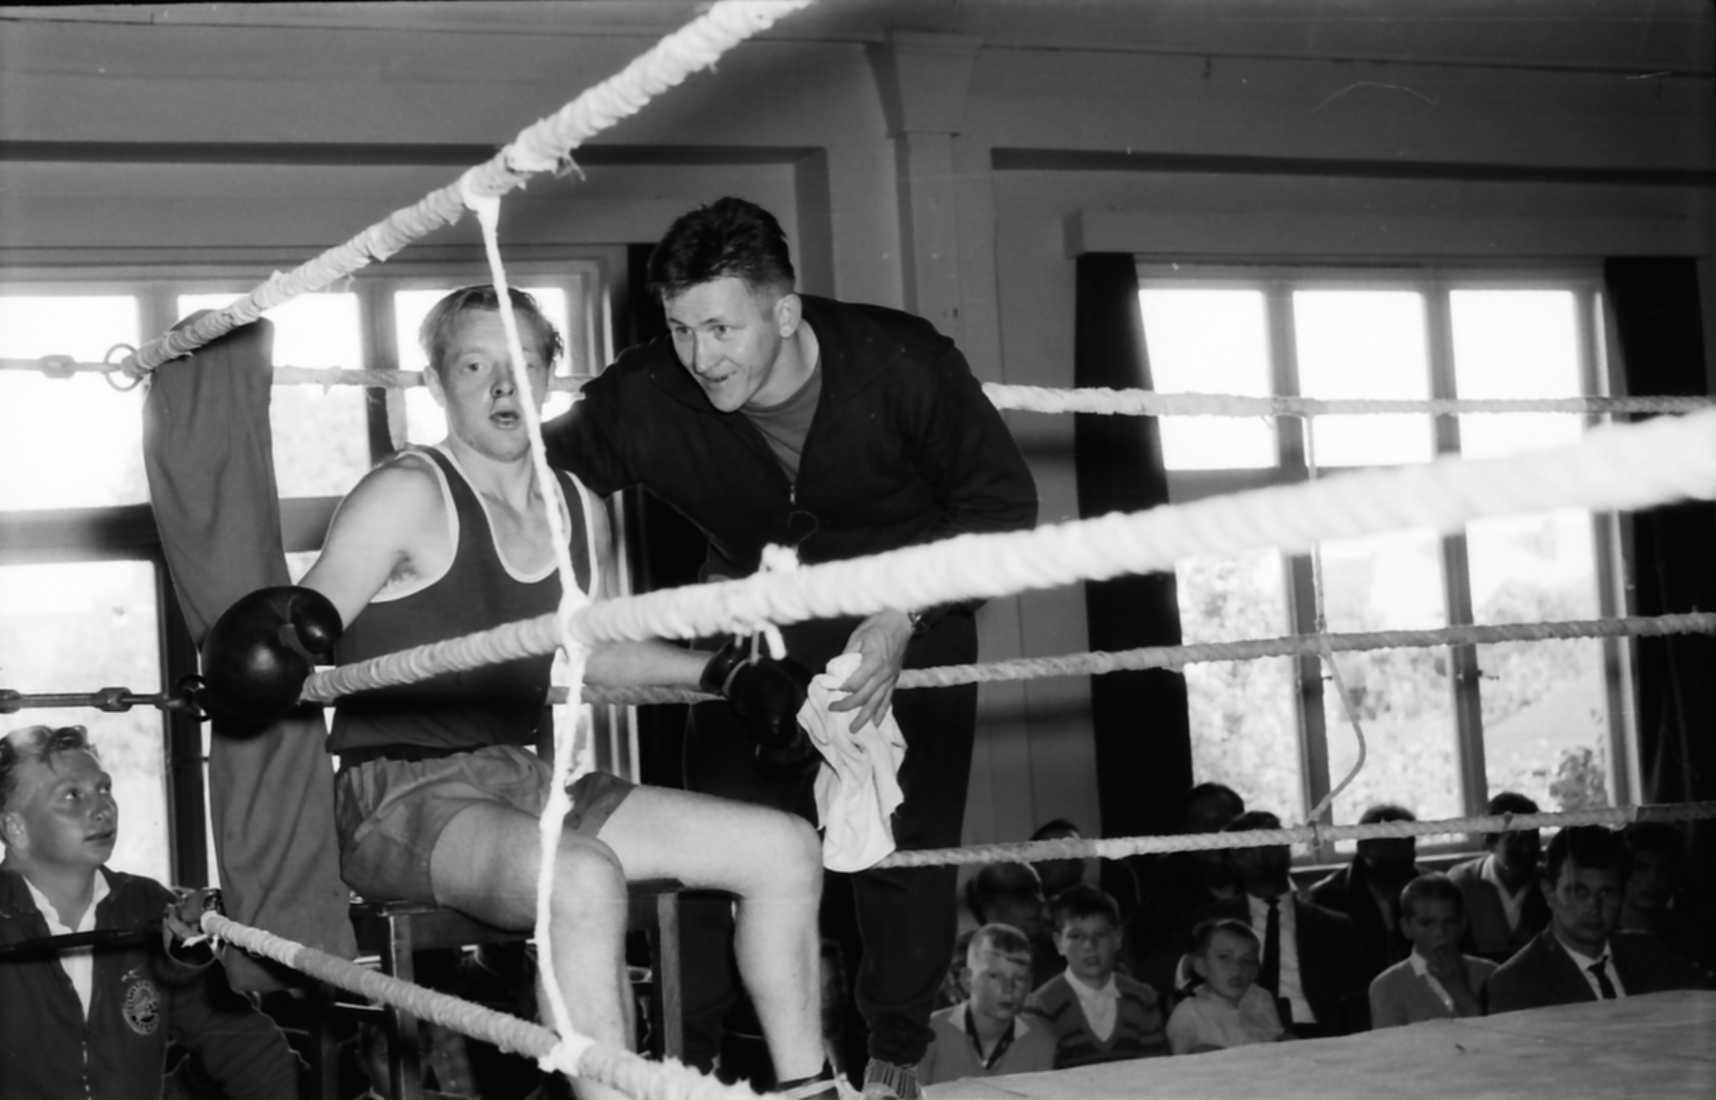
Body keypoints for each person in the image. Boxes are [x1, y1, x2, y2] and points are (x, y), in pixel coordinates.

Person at [198, 286, 834, 1100]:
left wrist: (723, 674)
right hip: (397, 795)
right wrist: (255, 652)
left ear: (549, 378)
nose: (505, 387)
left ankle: (809, 1089)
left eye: (525, 364)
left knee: (784, 847)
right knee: (581, 877)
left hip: (524, 782)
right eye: (476, 366)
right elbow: (306, 621)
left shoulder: (575, 506)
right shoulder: (407, 493)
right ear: (436, 382)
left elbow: (588, 652)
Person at [542, 197, 1038, 1100]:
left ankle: (891, 1070)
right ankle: (681, 1077)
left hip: (908, 631)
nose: (702, 357)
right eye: (681, 328)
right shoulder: (648, 391)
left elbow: (1002, 509)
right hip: (751, 657)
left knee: (902, 863)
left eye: (721, 329)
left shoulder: (902, 362)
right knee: (709, 863)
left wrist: (902, 616)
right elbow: (534, 478)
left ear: (783, 310)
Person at [0, 724, 302, 1100]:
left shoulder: (144, 905)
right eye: (72, 795)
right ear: (15, 827)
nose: (103, 809)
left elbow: (242, 1044)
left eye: (104, 788)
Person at [1487, 826, 1716, 1013]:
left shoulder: (1648, 952)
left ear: (1623, 893)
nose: (1593, 907)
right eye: (1579, 892)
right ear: (1549, 893)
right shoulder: (1516, 981)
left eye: (1607, 893)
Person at [1190, 810, 1367, 1036]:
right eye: (1248, 848)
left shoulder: (1334, 926)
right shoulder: (1212, 922)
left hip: (1319, 1035)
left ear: (1287, 847)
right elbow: (1191, 984)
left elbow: (1356, 1003)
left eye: (1271, 842)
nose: (1261, 853)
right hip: (1239, 1033)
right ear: (1232, 859)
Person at [1025, 885, 1167, 1068]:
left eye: (1100, 934)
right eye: (1076, 936)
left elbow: (1155, 1071)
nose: (1089, 946)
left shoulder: (1143, 999)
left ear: (1117, 938)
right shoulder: (1042, 1006)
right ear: (1059, 942)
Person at [1129, 781, 1245, 997]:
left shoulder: (1259, 875)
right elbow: (1150, 968)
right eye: (1201, 824)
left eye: (1222, 822)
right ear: (1185, 832)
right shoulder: (1165, 889)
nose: (1213, 833)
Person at [916, 924, 1057, 1086]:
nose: (1008, 989)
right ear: (967, 979)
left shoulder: (1042, 1039)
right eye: (994, 976)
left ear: (1030, 983)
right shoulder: (928, 1034)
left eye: (1019, 978)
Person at [1306, 803, 1422, 982]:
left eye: (1409, 842)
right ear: (1363, 847)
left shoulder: (1429, 890)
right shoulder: (1328, 897)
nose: (1403, 852)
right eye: (1392, 844)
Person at [1367, 872, 1496, 1028]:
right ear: (1406, 927)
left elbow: (1502, 1038)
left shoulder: (1491, 974)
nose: (1440, 932)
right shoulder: (1386, 986)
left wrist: (1462, 994)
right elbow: (1392, 1043)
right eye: (1426, 923)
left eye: (1449, 922)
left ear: (1462, 924)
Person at [1446, 792, 1550, 962]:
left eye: (1533, 838)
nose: (1527, 849)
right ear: (1490, 842)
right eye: (1515, 840)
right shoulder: (1460, 884)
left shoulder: (1551, 883)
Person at [1164, 918, 1284, 1054]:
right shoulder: (1188, 1013)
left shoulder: (1261, 998)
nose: (1237, 968)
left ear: (1256, 970)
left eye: (1247, 960)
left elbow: (1277, 1040)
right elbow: (1178, 1063)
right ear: (1201, 966)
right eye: (1224, 957)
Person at [1618, 821, 1714, 968]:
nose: (1652, 880)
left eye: (1663, 869)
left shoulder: (1690, 936)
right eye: (1641, 868)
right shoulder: (1599, 931)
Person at [964, 861, 1058, 990]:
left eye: (1039, 892)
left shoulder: (1058, 947)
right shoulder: (966, 960)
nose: (1039, 902)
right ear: (989, 909)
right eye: (1023, 897)